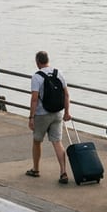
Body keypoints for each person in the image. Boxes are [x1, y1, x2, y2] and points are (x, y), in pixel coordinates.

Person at [27, 50, 71, 184]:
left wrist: (31, 117)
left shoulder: (37, 77)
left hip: (42, 114)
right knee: (57, 142)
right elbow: (67, 95)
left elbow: (34, 99)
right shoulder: (59, 73)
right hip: (57, 113)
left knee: (37, 141)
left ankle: (36, 169)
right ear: (48, 60)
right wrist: (67, 112)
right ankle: (63, 172)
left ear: (38, 62)